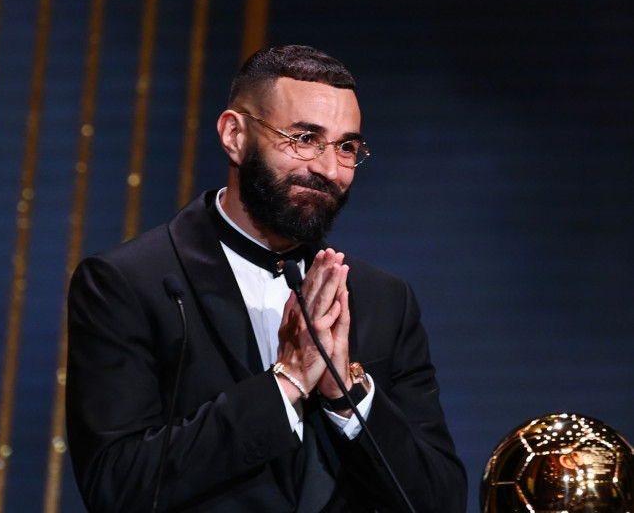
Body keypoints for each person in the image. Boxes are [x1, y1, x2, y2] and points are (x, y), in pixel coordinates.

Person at [66, 44, 467, 512]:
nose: (329, 169)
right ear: (234, 135)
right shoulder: (130, 283)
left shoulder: (384, 299)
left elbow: (439, 500)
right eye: (304, 138)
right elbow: (117, 486)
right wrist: (288, 380)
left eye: (346, 147)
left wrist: (347, 395)